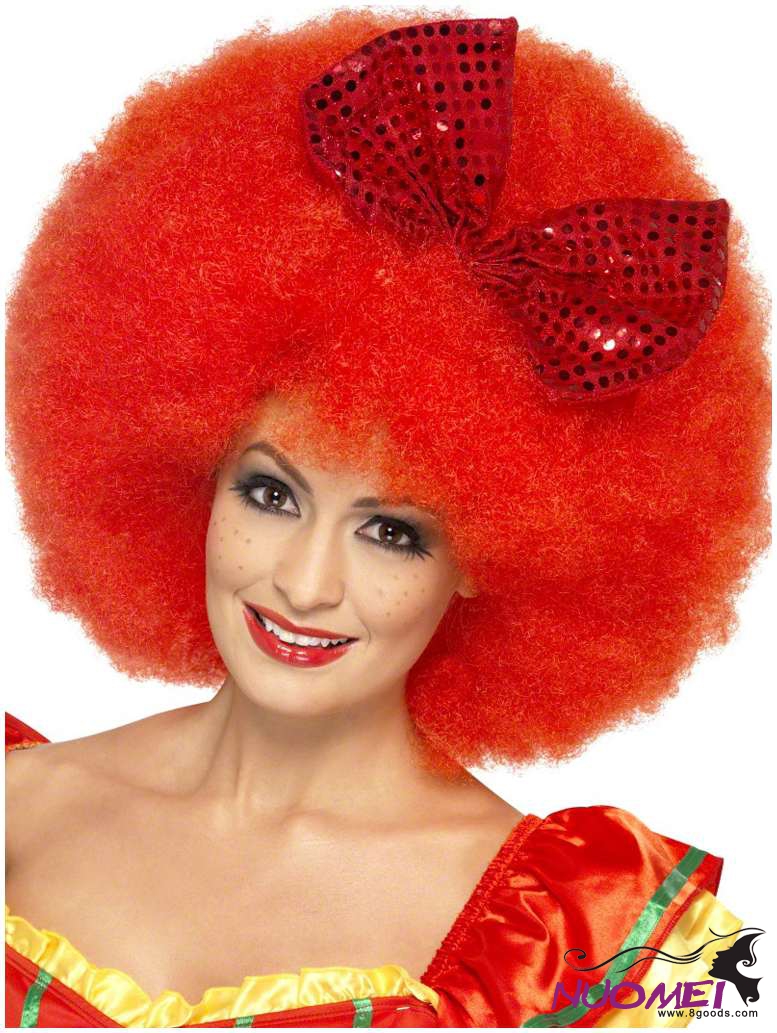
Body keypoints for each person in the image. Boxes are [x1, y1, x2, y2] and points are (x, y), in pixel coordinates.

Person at [4, 8, 769, 1029]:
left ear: (492, 553)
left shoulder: (598, 950)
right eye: (271, 493)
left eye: (393, 531)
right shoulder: (19, 801)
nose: (305, 582)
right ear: (197, 468)